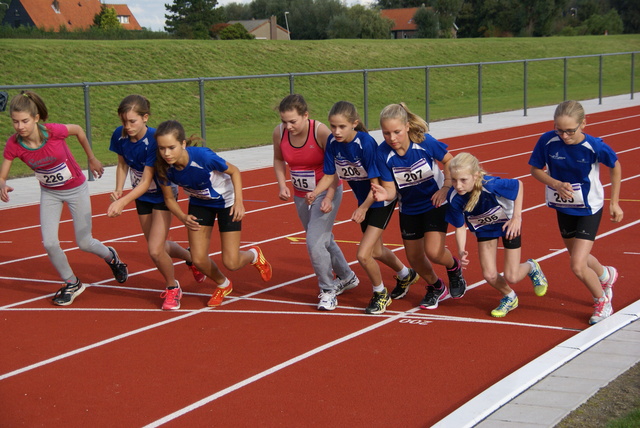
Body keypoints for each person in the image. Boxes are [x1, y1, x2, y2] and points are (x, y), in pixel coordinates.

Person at [0, 91, 128, 306]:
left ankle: (111, 257)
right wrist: (2, 183)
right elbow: (3, 173)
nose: (20, 126)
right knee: (49, 243)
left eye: (24, 121)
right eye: (15, 122)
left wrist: (92, 158)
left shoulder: (53, 132)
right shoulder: (14, 144)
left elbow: (78, 130)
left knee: (84, 242)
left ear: (36, 118)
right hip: (50, 193)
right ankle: (72, 282)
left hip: (76, 188)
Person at [305, 101, 418, 315]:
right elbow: (330, 174)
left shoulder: (365, 143)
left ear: (354, 124)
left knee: (363, 254)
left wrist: (364, 208)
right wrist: (316, 192)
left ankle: (380, 293)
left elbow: (376, 185)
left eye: (341, 127)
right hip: (365, 200)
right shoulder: (332, 142)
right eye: (333, 126)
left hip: (380, 198)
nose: (336, 131)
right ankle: (406, 275)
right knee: (376, 250)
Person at [155, 120, 272, 308]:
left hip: (226, 203)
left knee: (232, 262)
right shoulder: (163, 167)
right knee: (198, 259)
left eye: (171, 147)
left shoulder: (203, 157)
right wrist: (183, 217)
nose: (166, 153)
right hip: (200, 204)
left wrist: (239, 202)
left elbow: (235, 172)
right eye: (162, 149)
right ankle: (223, 284)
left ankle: (253, 254)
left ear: (183, 144)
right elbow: (169, 199)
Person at [106, 95, 204, 311]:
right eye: (124, 121)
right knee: (157, 245)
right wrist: (119, 188)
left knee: (154, 250)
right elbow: (122, 164)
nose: (128, 126)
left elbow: (146, 180)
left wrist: (123, 202)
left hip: (162, 195)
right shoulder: (120, 135)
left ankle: (173, 287)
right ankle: (191, 258)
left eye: (133, 121)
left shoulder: (153, 140)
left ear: (145, 117)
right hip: (141, 196)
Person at [529, 100, 622, 325]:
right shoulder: (547, 141)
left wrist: (614, 203)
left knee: (577, 265)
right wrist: (555, 183)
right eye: (559, 130)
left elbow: (615, 167)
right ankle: (606, 275)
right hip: (564, 206)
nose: (564, 136)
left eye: (570, 131)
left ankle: (602, 300)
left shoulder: (595, 146)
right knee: (577, 256)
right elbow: (534, 170)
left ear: (583, 124)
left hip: (589, 207)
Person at [371, 102, 466, 310]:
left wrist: (446, 187)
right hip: (409, 208)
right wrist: (383, 194)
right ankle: (436, 287)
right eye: (386, 133)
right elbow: (392, 190)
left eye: (396, 132)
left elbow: (449, 161)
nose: (392, 138)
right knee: (414, 258)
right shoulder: (382, 153)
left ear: (406, 126)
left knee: (433, 252)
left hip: (435, 202)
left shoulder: (424, 142)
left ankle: (453, 267)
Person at [272, 94, 358, 311]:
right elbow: (278, 158)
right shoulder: (279, 133)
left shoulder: (320, 132)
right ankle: (347, 277)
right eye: (284, 121)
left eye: (293, 121)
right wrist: (282, 184)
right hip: (301, 193)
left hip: (326, 190)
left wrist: (328, 197)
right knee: (323, 239)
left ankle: (328, 290)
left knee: (314, 241)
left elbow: (335, 166)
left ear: (306, 116)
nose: (288, 126)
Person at [446, 152, 548, 317]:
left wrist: (517, 217)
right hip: (485, 229)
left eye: (463, 180)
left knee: (512, 276)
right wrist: (461, 250)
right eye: (454, 180)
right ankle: (509, 296)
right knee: (489, 274)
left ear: (476, 175)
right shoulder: (454, 197)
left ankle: (532, 267)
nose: (458, 186)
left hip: (507, 225)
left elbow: (518, 185)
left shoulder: (491, 185)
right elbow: (459, 226)